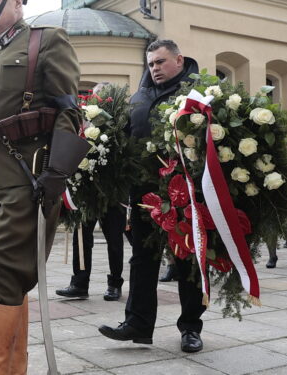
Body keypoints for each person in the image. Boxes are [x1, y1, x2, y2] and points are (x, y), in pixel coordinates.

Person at [0, 0, 88, 372]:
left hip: (26, 175)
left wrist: (56, 174)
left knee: (4, 273)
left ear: (16, 3)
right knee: (6, 279)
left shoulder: (46, 42)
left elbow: (68, 110)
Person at [98, 39, 206, 353]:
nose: (155, 68)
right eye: (150, 64)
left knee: (187, 260)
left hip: (186, 192)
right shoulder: (139, 98)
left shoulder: (198, 95)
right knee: (143, 258)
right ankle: (138, 324)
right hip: (144, 193)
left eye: (160, 62)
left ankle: (190, 327)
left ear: (179, 60)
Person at [55, 204, 125, 301]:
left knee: (114, 238)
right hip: (88, 195)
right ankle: (80, 284)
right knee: (81, 236)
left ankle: (115, 284)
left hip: (113, 195)